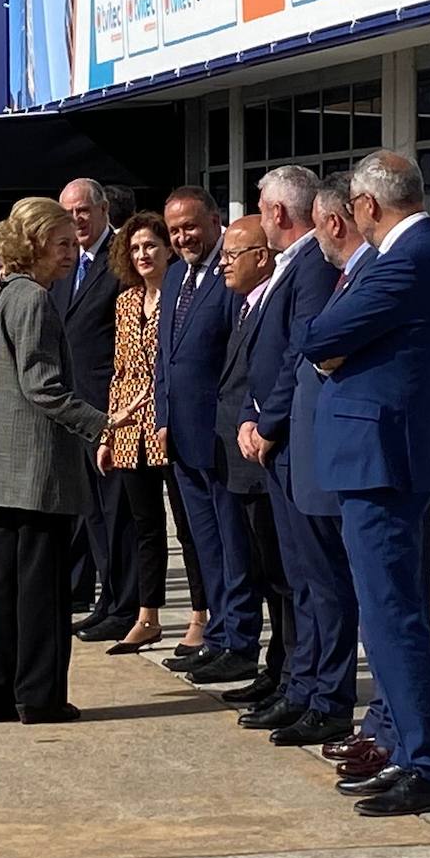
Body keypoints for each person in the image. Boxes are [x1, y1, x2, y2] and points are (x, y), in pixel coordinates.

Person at [297, 149, 430, 817]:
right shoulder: (415, 256)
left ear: (366, 205)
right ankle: (404, 747)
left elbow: (319, 334)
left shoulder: (409, 258)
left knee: (393, 618)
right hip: (383, 457)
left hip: (382, 461)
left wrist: (337, 342)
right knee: (393, 615)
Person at [0, 197, 141, 724]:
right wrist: (103, 421)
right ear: (35, 246)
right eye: (61, 243)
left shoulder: (2, 295)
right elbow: (44, 388)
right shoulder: (33, 300)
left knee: (3, 585)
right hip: (34, 473)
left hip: (2, 470)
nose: (70, 251)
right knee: (40, 591)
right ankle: (38, 696)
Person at [236, 167, 347, 747]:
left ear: (280, 213)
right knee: (298, 578)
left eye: (261, 205)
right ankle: (301, 685)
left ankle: (325, 694)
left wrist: (268, 424)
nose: (259, 213)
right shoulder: (293, 266)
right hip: (276, 442)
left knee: (318, 579)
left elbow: (297, 356)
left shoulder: (311, 267)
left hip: (289, 443)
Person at [155, 186, 265, 687]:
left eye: (190, 227)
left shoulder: (231, 273)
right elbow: (166, 356)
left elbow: (238, 359)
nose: (182, 238)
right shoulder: (176, 275)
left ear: (215, 220)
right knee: (203, 545)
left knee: (233, 547)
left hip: (222, 438)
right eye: (175, 230)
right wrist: (161, 415)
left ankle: (239, 640)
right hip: (181, 436)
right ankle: (218, 634)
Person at [304, 173, 390, 782]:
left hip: (378, 460)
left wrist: (323, 343)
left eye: (316, 223)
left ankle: (388, 729)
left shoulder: (377, 271)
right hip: (350, 456)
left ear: (336, 221)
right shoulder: (349, 275)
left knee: (386, 607)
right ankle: (384, 729)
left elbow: (318, 341)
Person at [96, 213, 209, 656]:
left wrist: (145, 407)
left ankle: (200, 614)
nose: (143, 254)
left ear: (168, 250)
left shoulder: (182, 300)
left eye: (150, 246)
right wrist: (107, 431)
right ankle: (148, 615)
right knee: (145, 527)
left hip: (167, 424)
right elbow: (120, 372)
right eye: (136, 248)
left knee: (188, 527)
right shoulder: (125, 303)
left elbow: (171, 371)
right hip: (127, 432)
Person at [208, 219, 293, 707]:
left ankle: (286, 672)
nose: (224, 264)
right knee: (261, 572)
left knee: (280, 576)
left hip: (263, 460)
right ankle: (275, 669)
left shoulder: (272, 301)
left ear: (261, 256)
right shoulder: (246, 306)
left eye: (232, 255)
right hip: (236, 455)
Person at [52, 178, 140, 645]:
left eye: (84, 210)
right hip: (75, 412)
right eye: (69, 212)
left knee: (118, 512)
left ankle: (125, 605)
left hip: (113, 410)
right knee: (94, 515)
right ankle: (106, 600)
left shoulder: (121, 260)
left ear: (104, 209)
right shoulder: (66, 264)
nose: (77, 220)